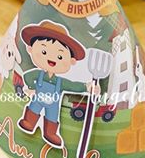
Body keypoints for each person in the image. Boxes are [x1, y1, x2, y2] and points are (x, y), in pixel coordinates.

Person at [18, 20, 98, 149]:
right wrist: (31, 89)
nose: (52, 59)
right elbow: (28, 77)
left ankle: (50, 133)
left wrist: (87, 86)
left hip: (53, 104)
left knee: (52, 117)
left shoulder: (60, 82)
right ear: (30, 49)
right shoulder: (38, 74)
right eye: (44, 52)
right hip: (38, 98)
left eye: (60, 57)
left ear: (71, 61)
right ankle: (28, 122)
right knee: (34, 109)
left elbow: (72, 85)